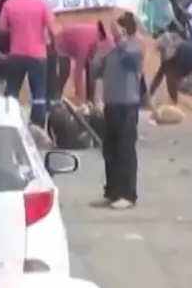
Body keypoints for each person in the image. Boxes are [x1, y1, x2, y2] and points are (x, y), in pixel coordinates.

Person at [91, 13, 144, 209]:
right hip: (111, 104)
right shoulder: (112, 52)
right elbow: (97, 71)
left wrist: (121, 40)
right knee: (110, 150)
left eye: (116, 28)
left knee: (125, 150)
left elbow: (133, 60)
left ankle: (128, 194)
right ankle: (112, 191)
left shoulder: (133, 49)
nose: (112, 31)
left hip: (127, 105)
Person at [0, 0, 56, 127]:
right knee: (39, 96)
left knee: (11, 94)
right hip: (38, 56)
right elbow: (54, 30)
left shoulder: (9, 5)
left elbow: (1, 30)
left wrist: (16, 31)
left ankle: (7, 125)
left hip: (16, 54)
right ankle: (38, 131)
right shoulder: (42, 6)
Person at [53, 20, 109, 105]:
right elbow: (77, 73)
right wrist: (79, 94)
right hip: (62, 42)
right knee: (65, 71)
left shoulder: (95, 34)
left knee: (91, 67)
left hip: (73, 36)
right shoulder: (84, 45)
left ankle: (90, 99)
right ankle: (56, 97)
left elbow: (92, 56)